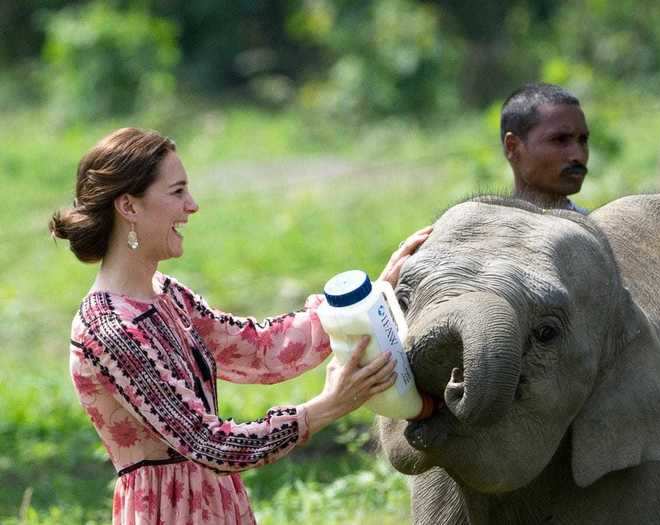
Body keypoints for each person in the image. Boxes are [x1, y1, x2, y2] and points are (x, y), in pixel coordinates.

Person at [49, 127, 431, 525]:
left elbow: (260, 349)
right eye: (177, 192)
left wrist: (369, 298)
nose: (192, 206)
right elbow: (209, 443)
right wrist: (327, 407)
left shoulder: (166, 295)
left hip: (218, 503)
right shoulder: (109, 329)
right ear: (128, 206)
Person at [500, 82, 590, 213]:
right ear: (512, 147)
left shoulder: (599, 229)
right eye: (560, 139)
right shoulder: (480, 230)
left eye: (583, 140)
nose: (579, 156)